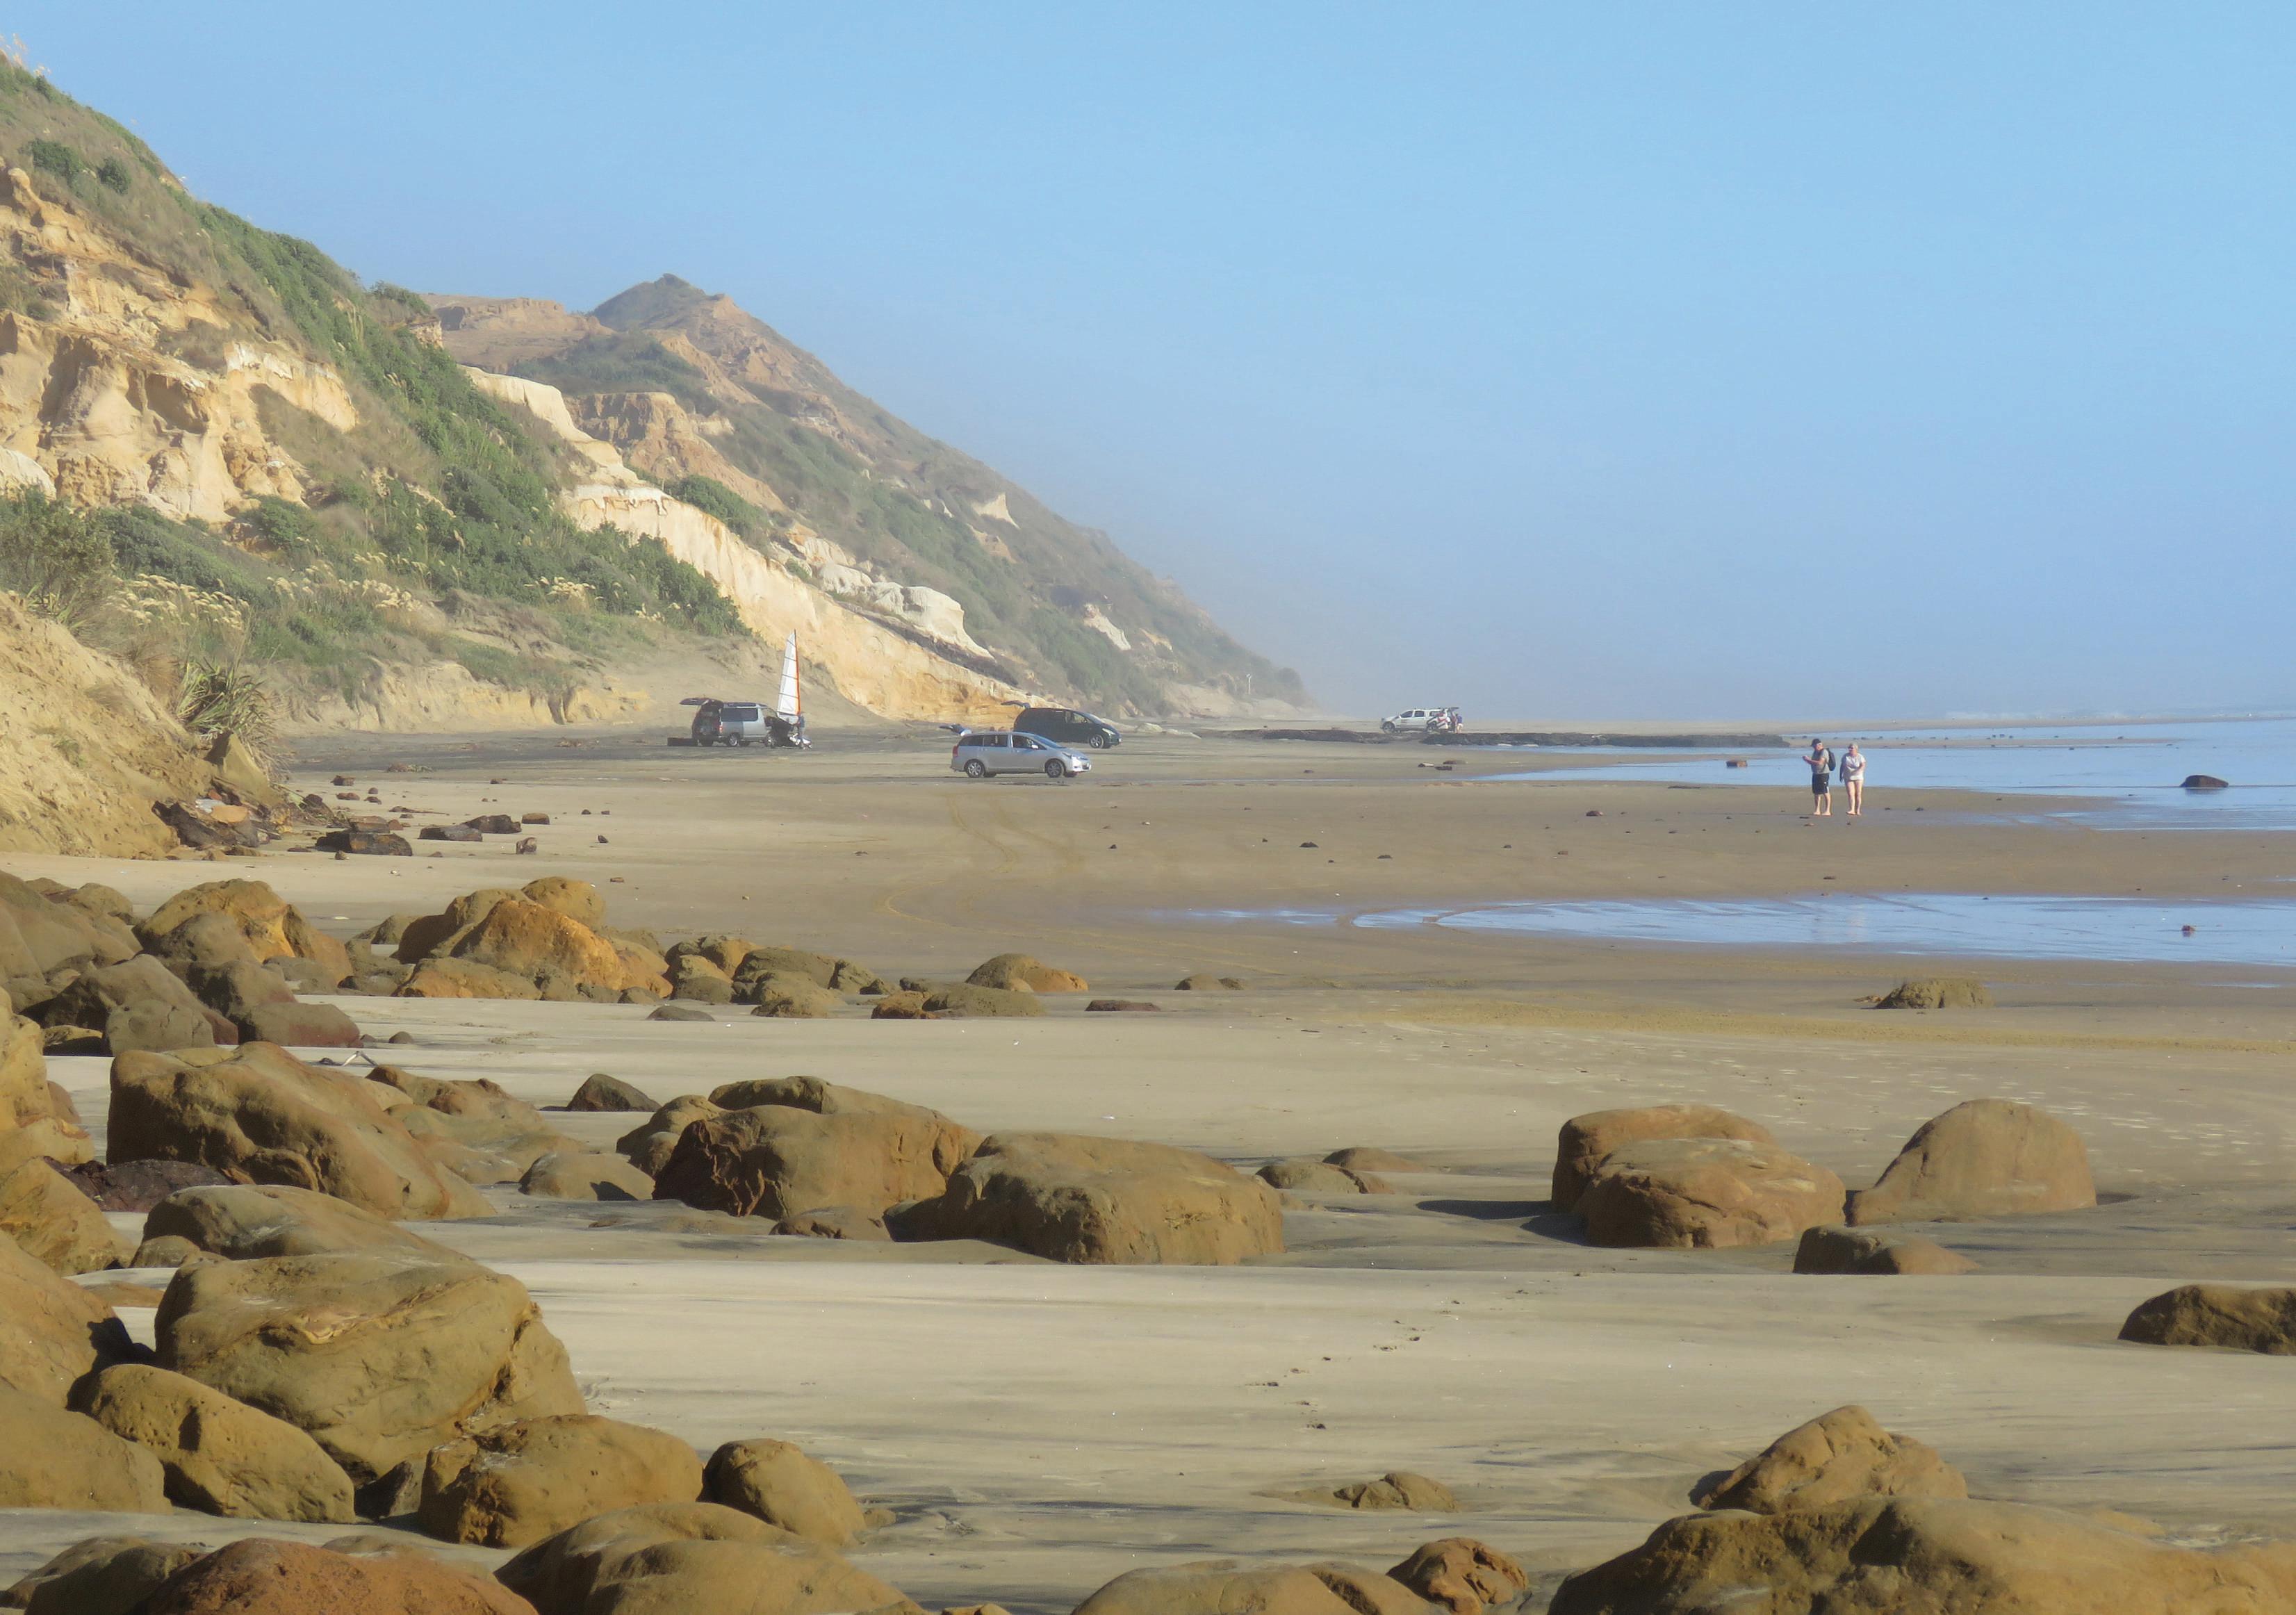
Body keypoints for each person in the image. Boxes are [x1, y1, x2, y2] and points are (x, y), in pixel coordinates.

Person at [1805, 738, 1835, 816]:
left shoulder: (1824, 752)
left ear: (1819, 745)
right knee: (1816, 792)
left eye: (1815, 746)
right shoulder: (1815, 752)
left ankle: (1828, 810)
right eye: (1813, 746)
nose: (1814, 748)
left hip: (1823, 773)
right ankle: (1817, 810)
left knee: (1825, 791)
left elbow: (1820, 763)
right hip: (1816, 773)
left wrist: (1808, 760)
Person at [1839, 741, 1865, 815]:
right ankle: (1852, 810)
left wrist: (1859, 771)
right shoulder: (1845, 756)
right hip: (1848, 776)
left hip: (1858, 777)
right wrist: (1840, 775)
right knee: (1851, 793)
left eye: (1852, 748)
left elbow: (1863, 765)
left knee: (1858, 793)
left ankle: (1858, 810)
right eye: (1849, 748)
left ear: (1856, 749)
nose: (1850, 749)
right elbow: (1842, 766)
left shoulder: (1860, 757)